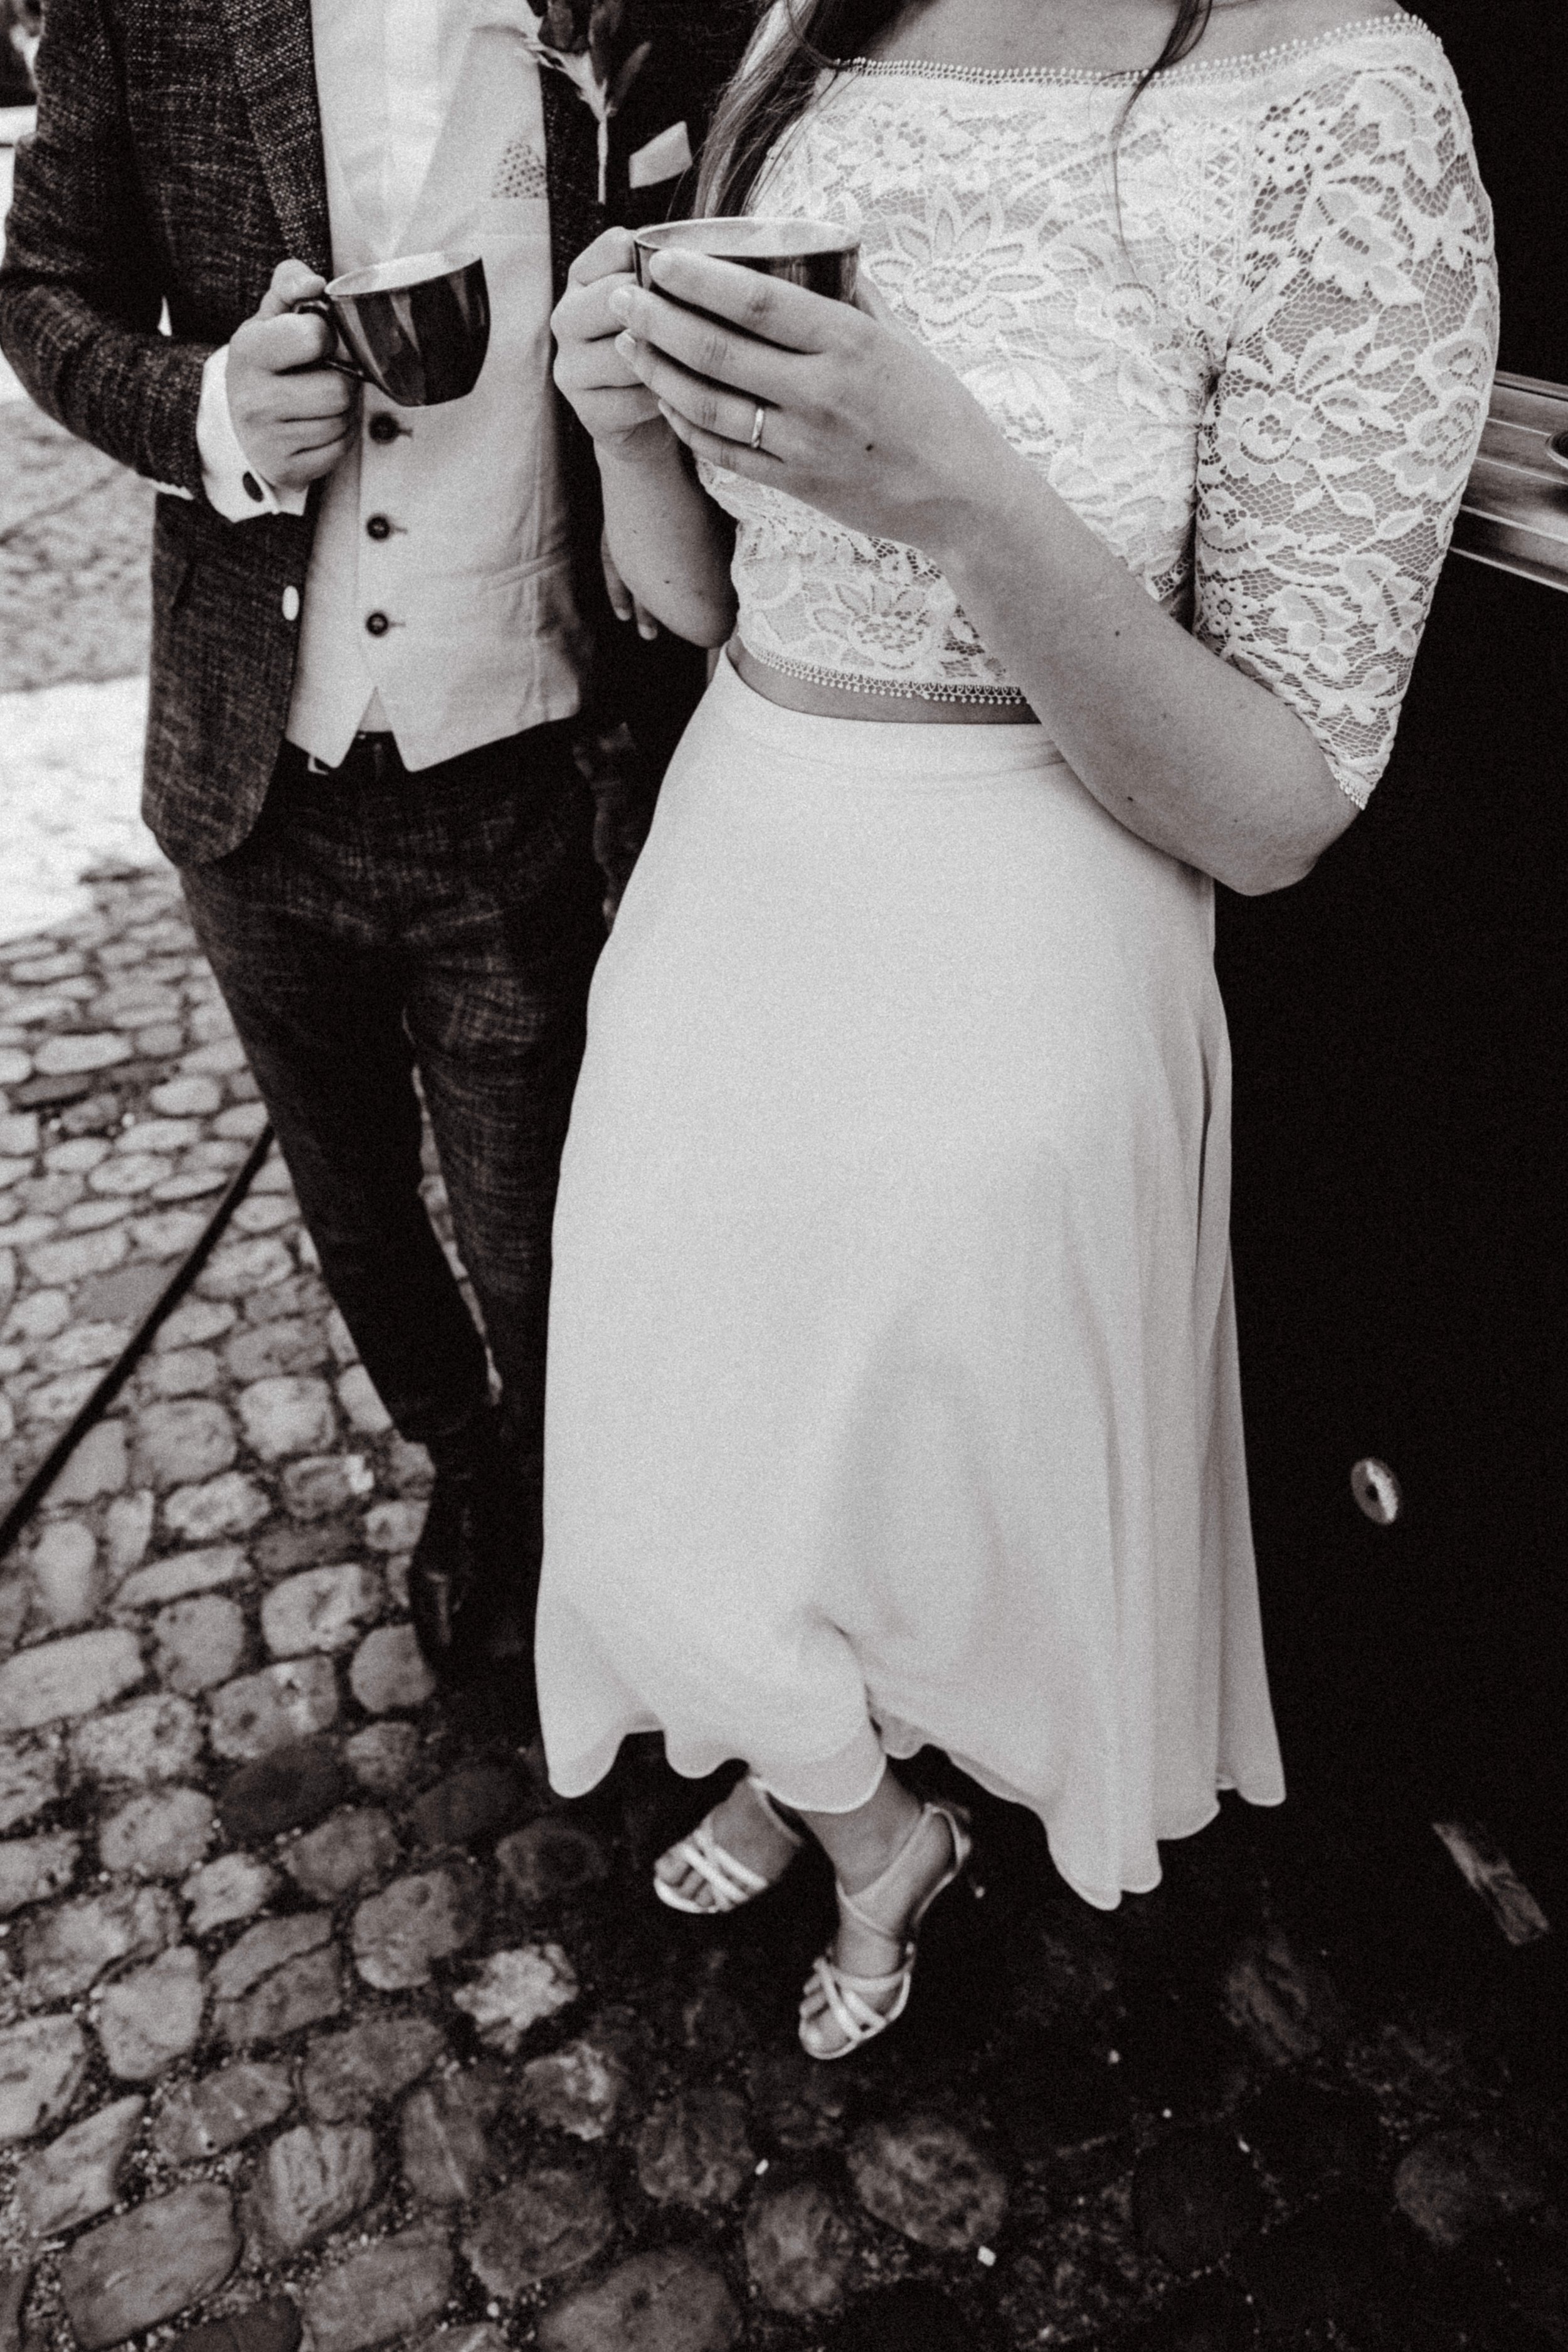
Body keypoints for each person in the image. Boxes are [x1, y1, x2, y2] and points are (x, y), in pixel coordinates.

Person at [541, 0, 1497, 2057]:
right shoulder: (820, 27)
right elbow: (704, 602)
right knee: (681, 1432)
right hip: (737, 858)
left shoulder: (1335, 94)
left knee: (925, 1456)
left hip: (1028, 901)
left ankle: (882, 1804)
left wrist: (967, 493)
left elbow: (1276, 807)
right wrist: (627, 426)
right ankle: (835, 1780)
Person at [0, 0, 753, 1690]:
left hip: (532, 763)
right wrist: (203, 412)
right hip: (254, 771)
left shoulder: (628, 17)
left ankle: (591, 1543)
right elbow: (42, 288)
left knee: (537, 1227)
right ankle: (466, 1468)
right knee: (348, 1190)